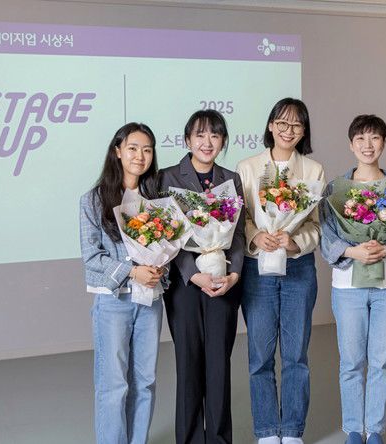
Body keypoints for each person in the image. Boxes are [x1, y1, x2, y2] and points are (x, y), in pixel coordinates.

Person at [319, 114, 386, 444]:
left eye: (374, 137)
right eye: (360, 138)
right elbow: (327, 236)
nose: (367, 145)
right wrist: (353, 251)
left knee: (381, 360)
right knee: (350, 361)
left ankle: (374, 429)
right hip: (347, 285)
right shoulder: (335, 189)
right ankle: (352, 429)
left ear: (384, 142)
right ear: (351, 144)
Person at [236, 98, 324, 444]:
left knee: (295, 355)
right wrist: (256, 235)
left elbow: (317, 224)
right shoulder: (247, 167)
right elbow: (240, 217)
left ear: (304, 131)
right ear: (271, 126)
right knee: (259, 355)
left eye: (296, 125)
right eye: (282, 123)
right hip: (257, 268)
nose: (289, 131)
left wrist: (294, 241)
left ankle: (292, 430)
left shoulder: (313, 170)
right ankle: (267, 430)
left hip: (298, 269)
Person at [159, 110, 245, 444]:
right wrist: (193, 275)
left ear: (223, 141)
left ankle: (220, 438)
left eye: (215, 135)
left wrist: (234, 274)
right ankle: (191, 438)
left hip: (223, 281)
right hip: (185, 286)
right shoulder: (167, 178)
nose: (207, 142)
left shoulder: (231, 179)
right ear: (187, 140)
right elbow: (166, 233)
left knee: (219, 364)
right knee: (189, 363)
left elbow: (238, 234)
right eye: (200, 135)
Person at [79, 122, 164, 444]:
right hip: (113, 302)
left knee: (145, 382)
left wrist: (160, 268)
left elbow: (168, 247)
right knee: (113, 385)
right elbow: (92, 257)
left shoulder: (158, 200)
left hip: (150, 301)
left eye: (147, 149)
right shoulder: (93, 200)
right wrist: (132, 271)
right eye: (133, 148)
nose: (140, 156)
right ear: (117, 151)